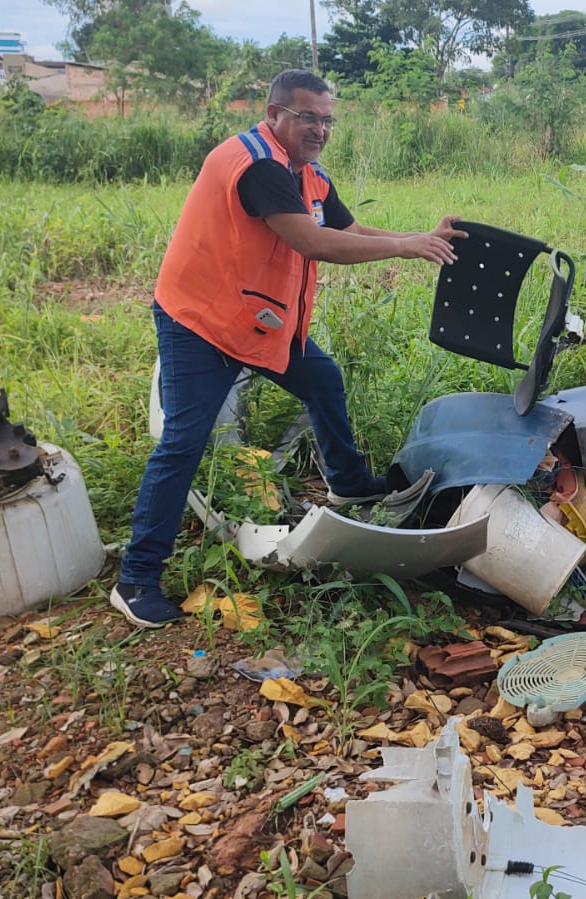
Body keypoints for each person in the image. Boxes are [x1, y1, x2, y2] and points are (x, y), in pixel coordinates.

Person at [111, 69, 466, 628]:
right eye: (308, 117)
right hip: (201, 325)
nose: (319, 129)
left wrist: (423, 236)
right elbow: (313, 241)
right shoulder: (257, 166)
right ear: (274, 114)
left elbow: (349, 228)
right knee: (184, 442)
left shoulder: (309, 176)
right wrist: (408, 248)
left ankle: (347, 485)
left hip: (258, 322)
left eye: (327, 119)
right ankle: (135, 579)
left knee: (322, 380)